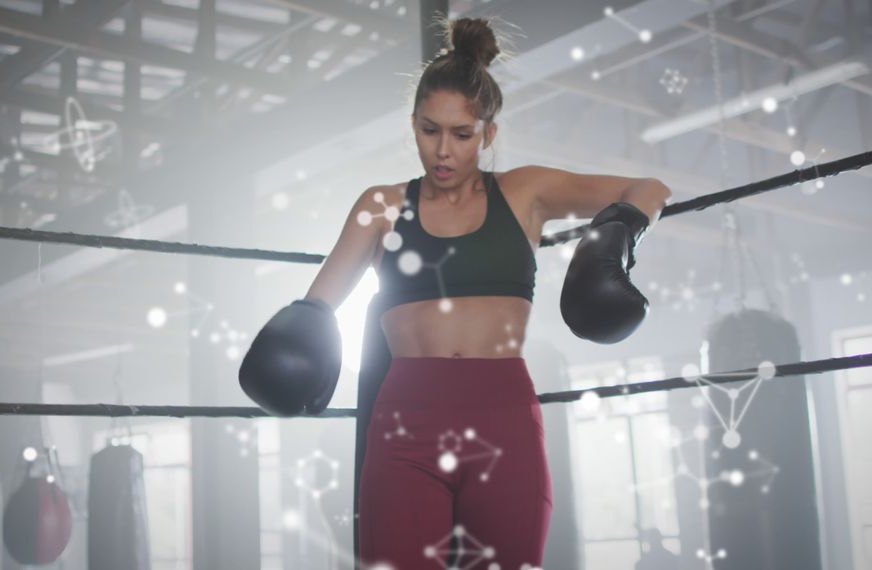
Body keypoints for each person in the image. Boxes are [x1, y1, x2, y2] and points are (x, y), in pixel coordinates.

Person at [240, 16, 670, 569]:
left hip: (504, 419)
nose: (443, 151)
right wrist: (290, 354)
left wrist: (616, 235)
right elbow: (315, 308)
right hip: (405, 425)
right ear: (413, 124)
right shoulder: (382, 205)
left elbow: (649, 189)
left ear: (488, 134)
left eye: (461, 134)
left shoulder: (525, 192)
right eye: (429, 130)